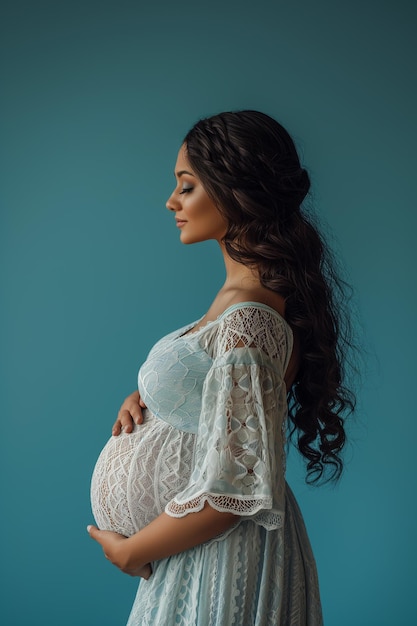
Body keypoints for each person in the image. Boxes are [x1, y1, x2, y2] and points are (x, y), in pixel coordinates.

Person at [87, 110, 356, 625]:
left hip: (221, 557)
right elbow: (219, 409)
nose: (172, 202)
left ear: (236, 191)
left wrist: (132, 551)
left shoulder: (249, 316)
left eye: (186, 187)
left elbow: (235, 487)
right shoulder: (240, 306)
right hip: (200, 553)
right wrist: (153, 399)